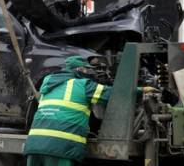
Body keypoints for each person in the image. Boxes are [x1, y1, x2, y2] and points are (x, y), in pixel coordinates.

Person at [23, 55, 157, 166]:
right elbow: (114, 94)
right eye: (86, 70)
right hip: (60, 147)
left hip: (34, 145)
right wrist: (140, 89)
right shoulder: (83, 85)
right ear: (78, 69)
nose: (88, 73)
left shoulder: (47, 82)